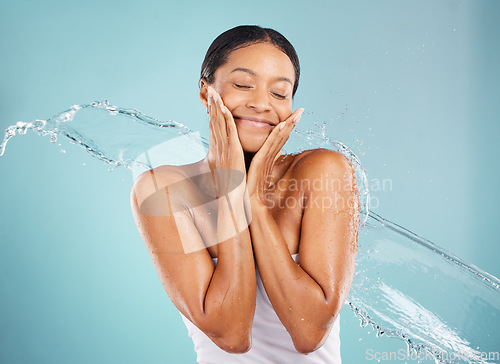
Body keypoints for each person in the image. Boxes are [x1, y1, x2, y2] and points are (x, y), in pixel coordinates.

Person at [130, 25, 360, 363]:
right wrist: (231, 191)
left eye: (280, 93)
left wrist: (254, 200)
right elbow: (232, 334)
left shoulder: (323, 171)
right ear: (206, 92)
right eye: (242, 85)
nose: (261, 104)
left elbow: (309, 331)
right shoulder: (164, 190)